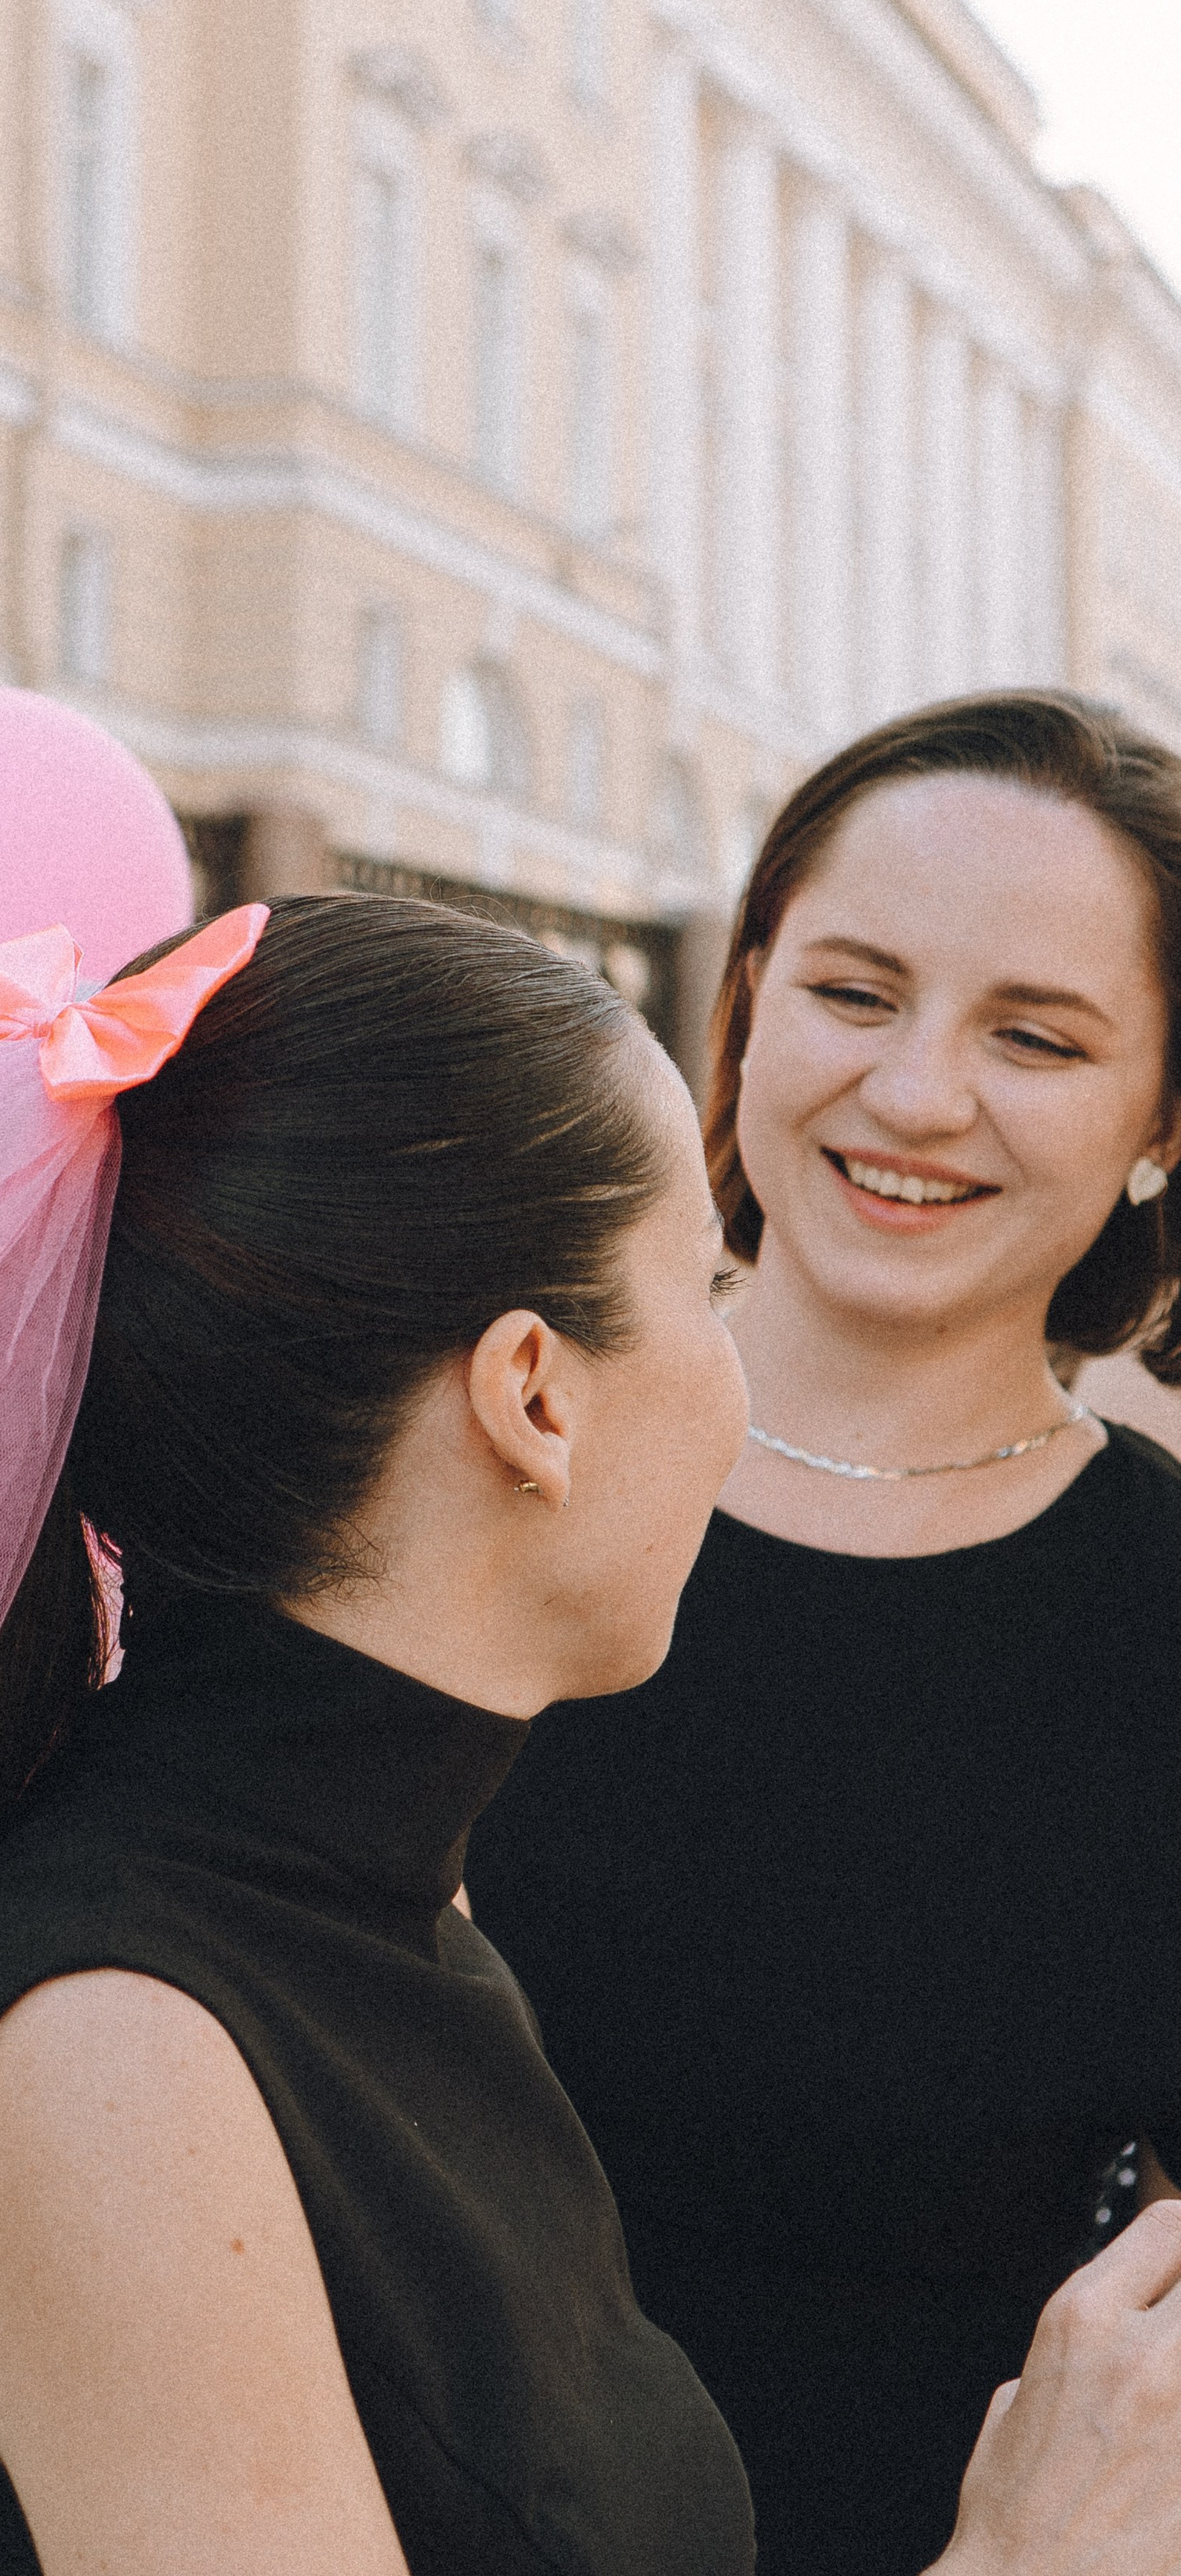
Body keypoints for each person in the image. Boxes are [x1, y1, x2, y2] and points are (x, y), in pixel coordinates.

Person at [0, 886, 1181, 2576]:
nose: (738, 1382)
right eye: (701, 1284)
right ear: (530, 1396)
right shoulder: (118, 2068)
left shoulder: (355, 1890)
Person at [465, 691, 1181, 2576]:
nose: (918, 1092)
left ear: (1157, 1123)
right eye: (854, 994)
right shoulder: (466, 1435)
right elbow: (80, 1774)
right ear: (747, 1003)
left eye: (1032, 1035)